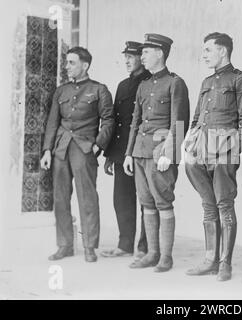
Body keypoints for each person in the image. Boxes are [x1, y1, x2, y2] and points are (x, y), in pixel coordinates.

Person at [184, 32, 242, 281]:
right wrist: (190, 144)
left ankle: (225, 263)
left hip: (224, 151)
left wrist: (234, 153)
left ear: (222, 51)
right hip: (201, 150)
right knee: (208, 205)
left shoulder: (241, 79)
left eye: (207, 50)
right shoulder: (206, 82)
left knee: (224, 205)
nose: (203, 55)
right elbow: (196, 118)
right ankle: (209, 260)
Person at [40, 47, 114, 263]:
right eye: (67, 63)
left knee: (87, 198)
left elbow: (108, 121)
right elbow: (53, 122)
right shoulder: (60, 91)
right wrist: (47, 150)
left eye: (72, 63)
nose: (67, 67)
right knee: (60, 198)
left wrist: (97, 144)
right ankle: (65, 245)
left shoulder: (99, 90)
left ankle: (90, 246)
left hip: (84, 148)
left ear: (85, 65)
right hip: (61, 149)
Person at [124, 33, 190, 272]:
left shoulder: (175, 83)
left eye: (146, 52)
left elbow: (179, 122)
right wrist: (129, 153)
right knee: (146, 203)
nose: (141, 56)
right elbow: (135, 121)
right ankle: (152, 253)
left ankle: (166, 257)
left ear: (160, 53)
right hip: (141, 152)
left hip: (160, 153)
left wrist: (168, 153)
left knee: (163, 203)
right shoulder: (143, 85)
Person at [101, 42, 151, 259]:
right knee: (122, 198)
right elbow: (117, 120)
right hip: (122, 152)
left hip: (142, 151)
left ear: (143, 57)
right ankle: (125, 244)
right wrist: (111, 155)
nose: (128, 61)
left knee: (147, 200)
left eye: (132, 56)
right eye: (126, 57)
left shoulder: (150, 81)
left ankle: (145, 247)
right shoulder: (122, 85)